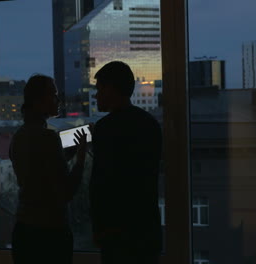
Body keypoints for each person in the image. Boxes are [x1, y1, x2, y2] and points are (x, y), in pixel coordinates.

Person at [89, 61, 162, 264]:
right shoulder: (150, 124)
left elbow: (101, 184)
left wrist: (98, 227)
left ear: (111, 88)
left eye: (99, 88)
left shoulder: (106, 128)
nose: (96, 95)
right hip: (146, 231)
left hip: (116, 234)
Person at [9, 74, 87, 264]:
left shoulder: (18, 137)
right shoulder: (48, 138)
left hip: (24, 231)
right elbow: (65, 191)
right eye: (53, 95)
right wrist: (80, 158)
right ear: (39, 101)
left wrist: (66, 154)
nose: (58, 100)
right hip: (50, 233)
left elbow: (39, 171)